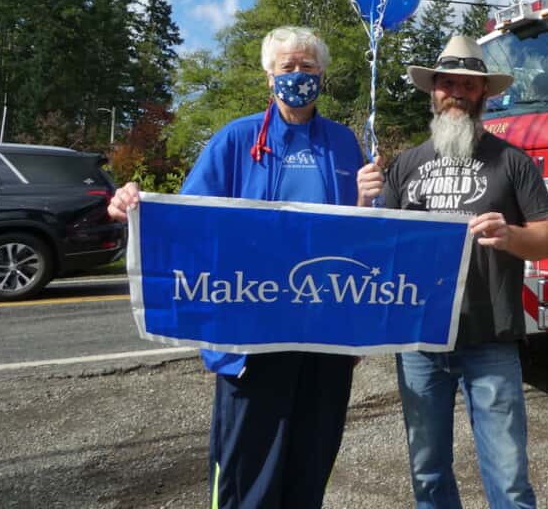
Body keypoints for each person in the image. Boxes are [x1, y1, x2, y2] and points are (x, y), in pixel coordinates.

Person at [108, 26, 363, 509]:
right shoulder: (236, 139)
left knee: (310, 468)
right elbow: (185, 215)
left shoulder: (345, 144)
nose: (298, 75)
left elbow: (364, 236)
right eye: (287, 67)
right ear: (270, 77)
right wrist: (135, 207)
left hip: (323, 339)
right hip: (251, 336)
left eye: (308, 67)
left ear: (322, 75)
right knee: (248, 477)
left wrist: (371, 199)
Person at [357, 35, 548, 509]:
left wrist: (511, 235)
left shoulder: (513, 162)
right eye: (447, 83)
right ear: (433, 92)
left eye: (468, 85)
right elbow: (375, 247)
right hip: (420, 344)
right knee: (427, 473)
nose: (457, 93)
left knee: (509, 478)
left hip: (491, 337)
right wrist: (363, 201)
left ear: (483, 94)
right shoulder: (404, 165)